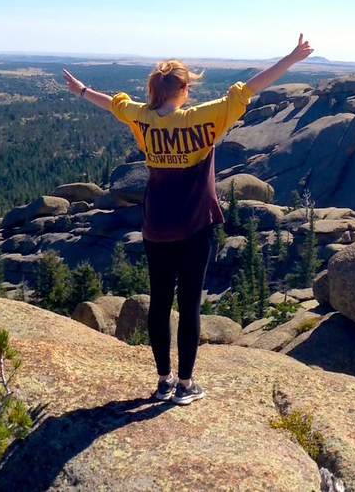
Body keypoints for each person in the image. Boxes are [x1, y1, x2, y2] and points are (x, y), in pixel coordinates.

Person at [62, 34, 313, 405]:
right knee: (190, 305)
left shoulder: (143, 119)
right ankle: (184, 385)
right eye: (189, 85)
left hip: (157, 225)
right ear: (182, 88)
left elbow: (115, 105)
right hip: (196, 225)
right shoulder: (204, 119)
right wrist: (290, 60)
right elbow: (248, 89)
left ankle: (163, 381)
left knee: (160, 303)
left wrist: (82, 90)